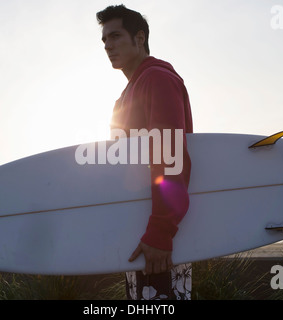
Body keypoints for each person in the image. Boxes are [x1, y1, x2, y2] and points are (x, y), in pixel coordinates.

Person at [96, 5, 193, 300]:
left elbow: (170, 156)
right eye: (104, 41)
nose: (108, 46)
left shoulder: (157, 79)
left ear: (140, 38)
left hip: (159, 239)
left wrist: (161, 232)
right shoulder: (126, 96)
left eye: (115, 36)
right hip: (141, 234)